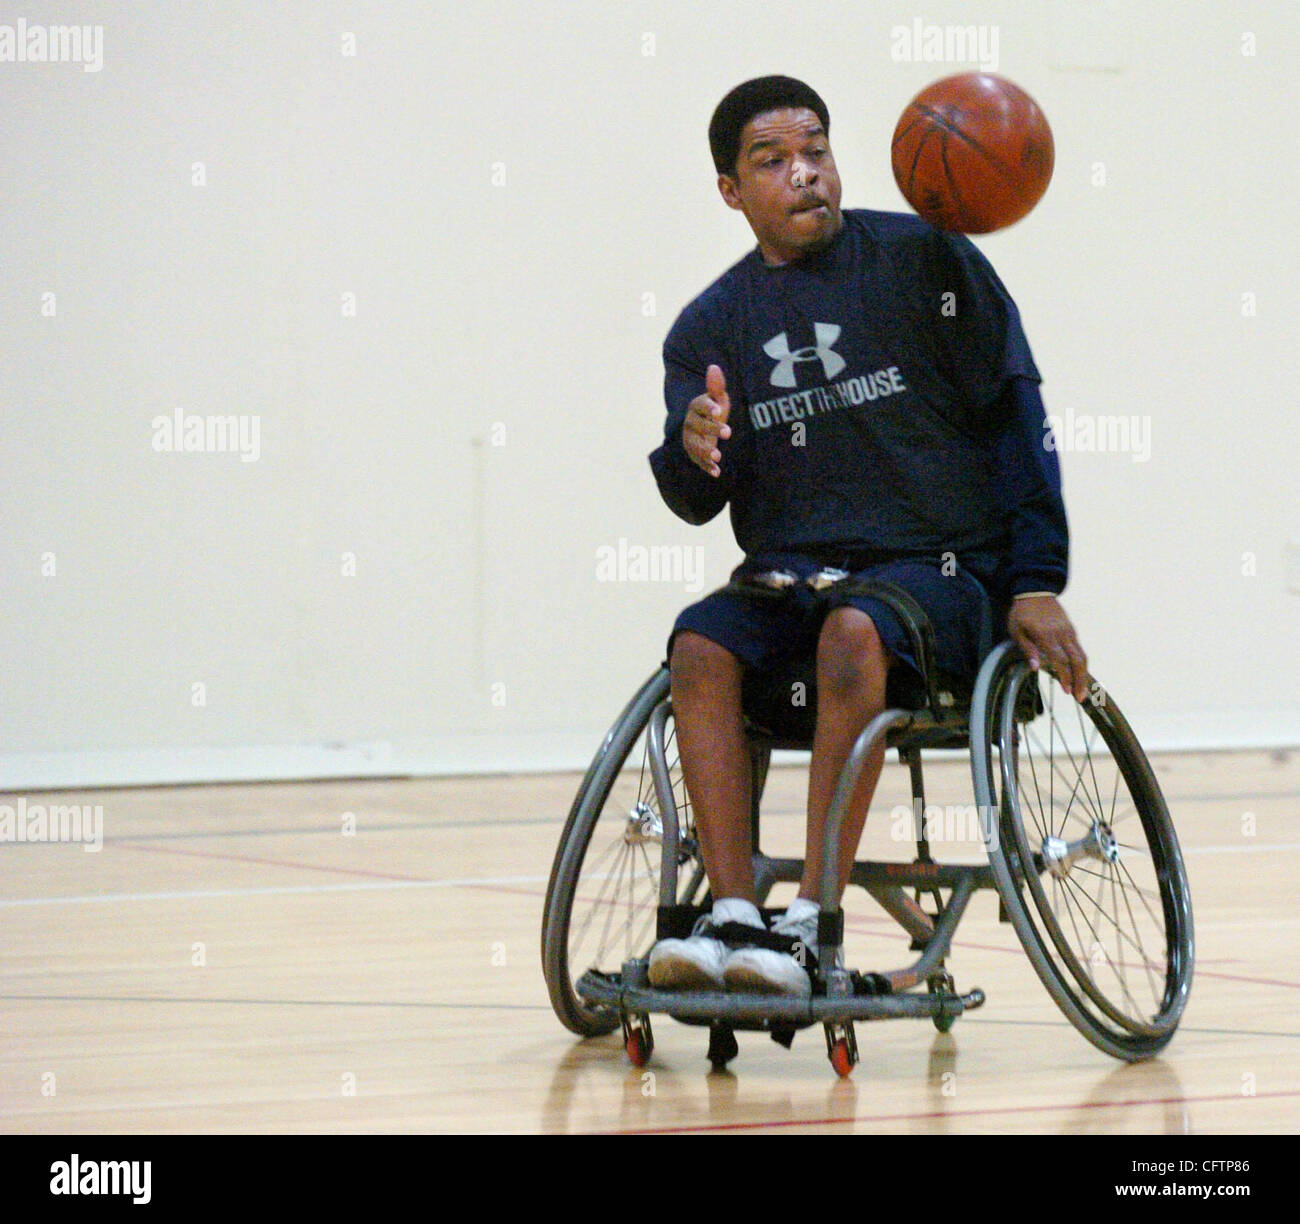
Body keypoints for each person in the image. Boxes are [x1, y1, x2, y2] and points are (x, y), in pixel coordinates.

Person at [646, 75, 1088, 998]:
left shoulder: (928, 262)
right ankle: (731, 915)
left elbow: (1018, 417)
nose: (805, 175)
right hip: (790, 580)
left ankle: (809, 923)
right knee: (698, 642)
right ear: (732, 191)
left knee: (855, 629)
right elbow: (695, 499)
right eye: (774, 162)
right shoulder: (708, 327)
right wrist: (691, 449)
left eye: (817, 151)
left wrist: (1037, 579)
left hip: (934, 576)